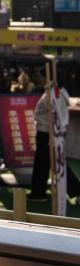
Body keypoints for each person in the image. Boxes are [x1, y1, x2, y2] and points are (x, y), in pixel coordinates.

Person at [29, 70, 79, 201]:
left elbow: (57, 117)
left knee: (55, 163)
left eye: (41, 76)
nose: (39, 79)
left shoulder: (54, 93)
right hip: (49, 132)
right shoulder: (55, 91)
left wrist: (53, 136)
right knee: (47, 163)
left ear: (48, 77)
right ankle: (38, 192)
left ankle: (76, 191)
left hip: (49, 133)